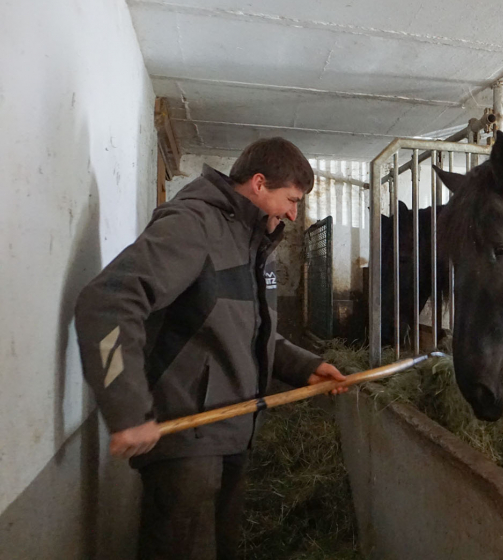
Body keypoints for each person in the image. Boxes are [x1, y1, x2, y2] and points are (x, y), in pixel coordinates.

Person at [75, 137, 348, 560]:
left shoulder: (253, 241)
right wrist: (128, 409)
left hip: (233, 429)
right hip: (188, 436)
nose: (294, 214)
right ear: (259, 184)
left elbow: (250, 328)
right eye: (291, 200)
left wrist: (304, 366)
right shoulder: (195, 225)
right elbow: (108, 302)